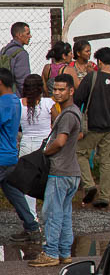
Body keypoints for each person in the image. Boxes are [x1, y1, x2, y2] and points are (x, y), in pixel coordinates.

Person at [28, 74, 83, 268]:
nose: (57, 93)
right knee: (64, 213)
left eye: (62, 89)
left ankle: (51, 252)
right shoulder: (74, 112)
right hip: (71, 172)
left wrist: (45, 151)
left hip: (60, 171)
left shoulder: (68, 114)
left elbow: (60, 142)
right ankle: (64, 252)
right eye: (55, 89)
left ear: (71, 91)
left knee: (51, 213)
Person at [75, 47, 110, 209]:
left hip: (92, 126)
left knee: (79, 152)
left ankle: (90, 185)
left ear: (99, 61)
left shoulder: (92, 77)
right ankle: (105, 196)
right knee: (106, 161)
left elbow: (77, 99)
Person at [0, 68, 41, 242]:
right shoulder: (15, 101)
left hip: (1, 157)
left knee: (14, 193)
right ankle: (32, 227)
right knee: (14, 194)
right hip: (9, 155)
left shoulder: (4, 103)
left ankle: (32, 227)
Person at [17, 74, 55, 216]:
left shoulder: (20, 104)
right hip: (45, 146)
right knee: (47, 180)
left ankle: (32, 218)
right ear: (41, 88)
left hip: (26, 144)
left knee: (27, 183)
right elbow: (58, 123)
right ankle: (50, 214)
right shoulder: (48, 103)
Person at [1, 21, 31, 93]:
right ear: (19, 35)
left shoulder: (4, 50)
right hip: (16, 96)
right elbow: (22, 80)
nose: (30, 36)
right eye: (28, 33)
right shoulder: (21, 54)